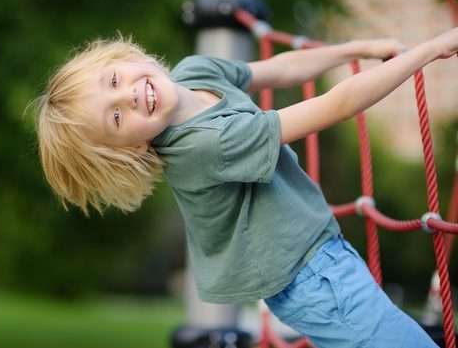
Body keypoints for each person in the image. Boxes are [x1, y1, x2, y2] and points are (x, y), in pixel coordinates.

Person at [34, 28, 458, 347]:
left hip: (318, 255)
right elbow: (338, 105)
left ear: (123, 55)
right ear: (132, 147)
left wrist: (356, 49)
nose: (129, 96)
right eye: (116, 118)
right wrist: (430, 50)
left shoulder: (194, 73)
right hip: (311, 278)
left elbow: (281, 69)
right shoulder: (204, 145)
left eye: (113, 81)